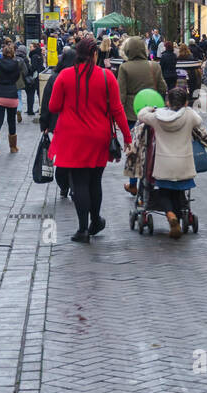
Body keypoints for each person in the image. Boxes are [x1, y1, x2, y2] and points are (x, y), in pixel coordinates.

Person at [46, 36, 131, 244]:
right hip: (99, 136)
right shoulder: (106, 77)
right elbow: (117, 110)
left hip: (72, 136)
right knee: (95, 180)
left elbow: (53, 106)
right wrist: (127, 137)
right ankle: (95, 220)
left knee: (79, 182)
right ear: (94, 54)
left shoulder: (65, 76)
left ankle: (83, 229)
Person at [136, 84, 207, 237]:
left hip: (163, 164)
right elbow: (199, 121)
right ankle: (176, 220)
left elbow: (141, 115)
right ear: (186, 103)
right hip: (183, 163)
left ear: (167, 102)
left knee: (164, 192)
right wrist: (188, 109)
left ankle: (170, 215)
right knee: (179, 193)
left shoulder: (156, 118)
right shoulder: (189, 116)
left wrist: (151, 109)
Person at [40, 49, 79, 199]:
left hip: (58, 124)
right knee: (74, 155)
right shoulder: (79, 77)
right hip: (76, 123)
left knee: (62, 155)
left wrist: (45, 124)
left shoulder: (54, 77)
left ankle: (64, 185)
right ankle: (73, 184)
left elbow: (47, 103)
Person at [0, 43, 26, 154]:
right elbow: (17, 77)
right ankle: (13, 147)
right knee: (11, 121)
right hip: (12, 95)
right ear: (13, 53)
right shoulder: (16, 65)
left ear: (3, 53)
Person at [25, 42, 45, 117]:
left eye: (31, 47)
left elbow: (33, 67)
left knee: (31, 93)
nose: (29, 48)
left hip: (34, 77)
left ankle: (30, 110)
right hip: (39, 76)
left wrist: (29, 70)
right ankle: (41, 108)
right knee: (39, 93)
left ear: (34, 48)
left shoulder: (34, 56)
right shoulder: (39, 55)